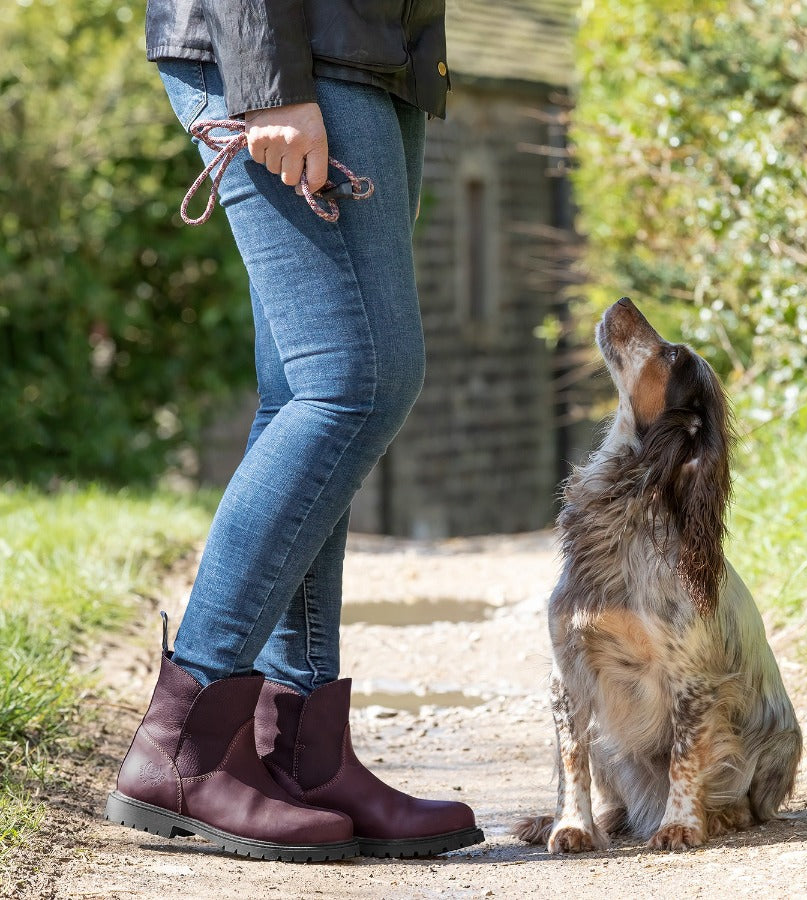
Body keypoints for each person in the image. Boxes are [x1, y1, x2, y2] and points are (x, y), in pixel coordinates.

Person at [104, 0, 484, 863]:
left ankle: (301, 756)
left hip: (374, 52)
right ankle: (184, 742)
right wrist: (268, 81)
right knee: (357, 383)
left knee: (307, 393)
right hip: (291, 50)